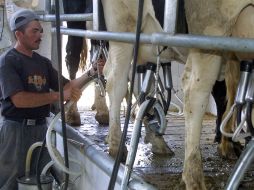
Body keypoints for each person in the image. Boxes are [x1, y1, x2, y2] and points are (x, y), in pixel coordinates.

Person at [0, 9, 102, 190]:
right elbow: (19, 100)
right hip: (15, 130)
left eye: (41, 30)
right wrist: (58, 96)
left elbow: (68, 87)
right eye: (35, 31)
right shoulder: (8, 61)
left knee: (41, 180)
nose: (40, 35)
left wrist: (92, 72)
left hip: (40, 129)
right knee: (10, 182)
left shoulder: (42, 62)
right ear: (18, 34)